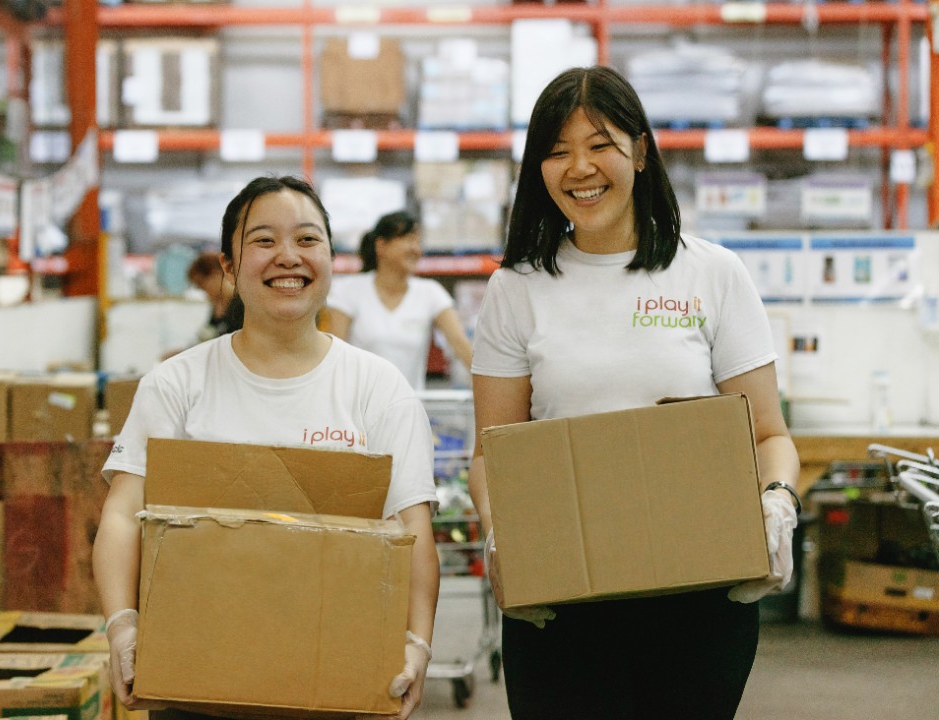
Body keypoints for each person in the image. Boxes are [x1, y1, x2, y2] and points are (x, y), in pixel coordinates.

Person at [468, 66, 800, 719]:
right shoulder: (517, 289)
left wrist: (776, 504)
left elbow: (769, 434)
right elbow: (491, 453)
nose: (579, 167)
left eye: (599, 145)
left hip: (697, 597)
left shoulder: (711, 273)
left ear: (641, 151)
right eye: (556, 151)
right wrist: (502, 535)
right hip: (560, 601)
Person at [94, 176, 440, 720]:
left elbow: (413, 528)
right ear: (229, 267)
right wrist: (122, 625)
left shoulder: (378, 387)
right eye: (263, 241)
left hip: (338, 688)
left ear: (331, 258)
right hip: (197, 689)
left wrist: (417, 643)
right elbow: (120, 514)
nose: (288, 257)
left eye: (307, 240)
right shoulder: (178, 383)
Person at [326, 211, 473, 390]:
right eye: (408, 239)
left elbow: (460, 344)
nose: (416, 249)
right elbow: (333, 356)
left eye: (418, 242)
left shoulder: (430, 292)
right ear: (381, 246)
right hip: (358, 411)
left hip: (409, 410)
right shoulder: (348, 291)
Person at [186, 252, 236, 341]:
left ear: (215, 274)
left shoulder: (242, 302)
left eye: (201, 283)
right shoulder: (219, 302)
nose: (203, 290)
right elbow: (209, 333)